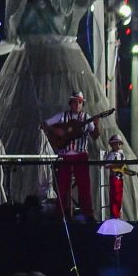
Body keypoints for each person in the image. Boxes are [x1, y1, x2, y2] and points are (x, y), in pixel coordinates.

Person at [46, 91, 98, 219]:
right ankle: (61, 213)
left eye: (80, 102)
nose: (77, 105)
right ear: (70, 103)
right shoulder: (62, 116)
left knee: (84, 184)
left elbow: (95, 136)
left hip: (81, 155)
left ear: (82, 104)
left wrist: (97, 125)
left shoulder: (86, 118)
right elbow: (45, 123)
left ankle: (87, 213)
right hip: (65, 155)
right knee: (63, 185)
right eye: (75, 102)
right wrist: (57, 131)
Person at [103, 135, 132, 220]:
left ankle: (117, 214)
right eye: (115, 144)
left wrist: (131, 172)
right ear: (112, 145)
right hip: (114, 177)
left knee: (119, 196)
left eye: (119, 144)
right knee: (114, 195)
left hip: (120, 178)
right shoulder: (111, 155)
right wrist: (117, 165)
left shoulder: (122, 154)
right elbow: (107, 165)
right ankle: (114, 214)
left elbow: (124, 167)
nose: (117, 146)